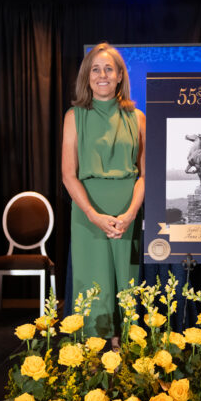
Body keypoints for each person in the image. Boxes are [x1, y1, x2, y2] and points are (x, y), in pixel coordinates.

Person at [62, 43, 146, 339]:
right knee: (94, 290)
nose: (102, 75)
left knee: (128, 288)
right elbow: (68, 175)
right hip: (88, 215)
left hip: (128, 215)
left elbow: (144, 175)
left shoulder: (138, 118)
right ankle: (93, 366)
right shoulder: (74, 117)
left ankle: (130, 365)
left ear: (120, 75)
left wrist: (131, 213)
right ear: (87, 77)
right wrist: (93, 215)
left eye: (109, 69)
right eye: (95, 69)